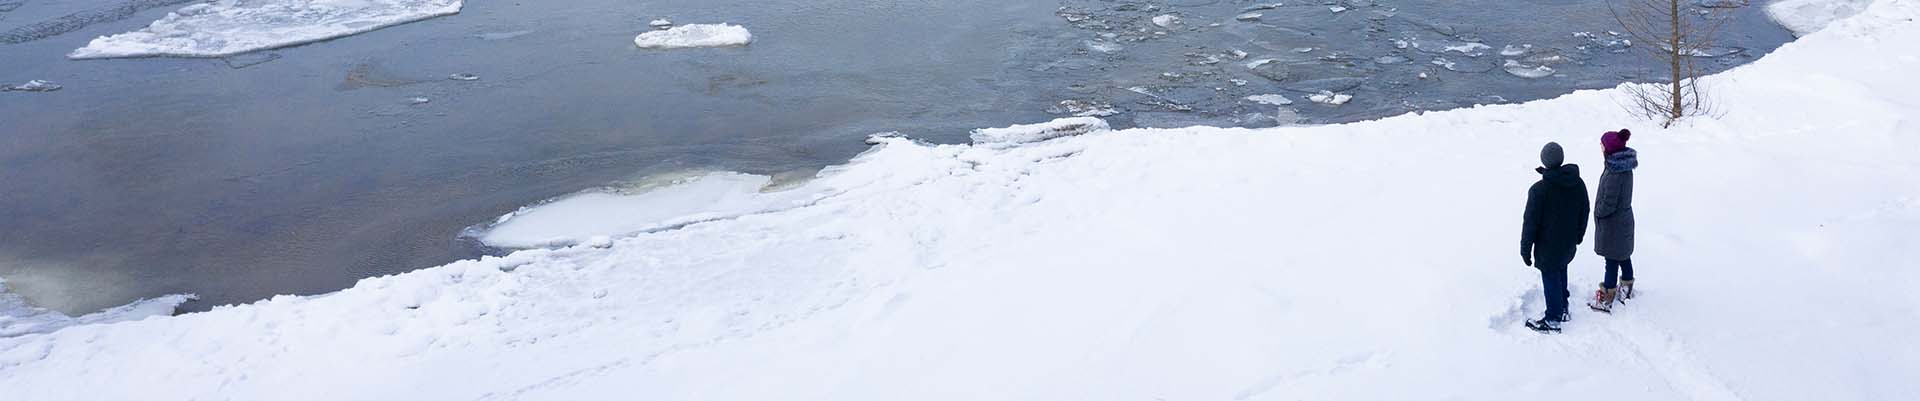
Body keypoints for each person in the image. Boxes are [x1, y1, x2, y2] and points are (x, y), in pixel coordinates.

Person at [1522, 142, 1590, 333]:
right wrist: (1579, 235)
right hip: (1568, 243)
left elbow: (1530, 224)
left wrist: (1525, 249)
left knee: (1551, 277)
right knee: (1561, 269)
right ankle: (1563, 307)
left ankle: (1553, 318)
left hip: (1548, 246)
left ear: (1544, 161)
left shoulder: (1539, 190)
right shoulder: (1577, 182)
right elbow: (1584, 210)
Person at [1589, 130, 1638, 313]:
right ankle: (1626, 287)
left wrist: (1598, 212)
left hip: (1614, 224)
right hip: (1624, 220)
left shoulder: (1614, 172)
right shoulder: (1622, 166)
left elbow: (1609, 202)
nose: (1600, 146)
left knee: (1611, 259)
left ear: (1608, 149)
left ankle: (1606, 297)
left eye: (1602, 144)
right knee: (1623, 255)